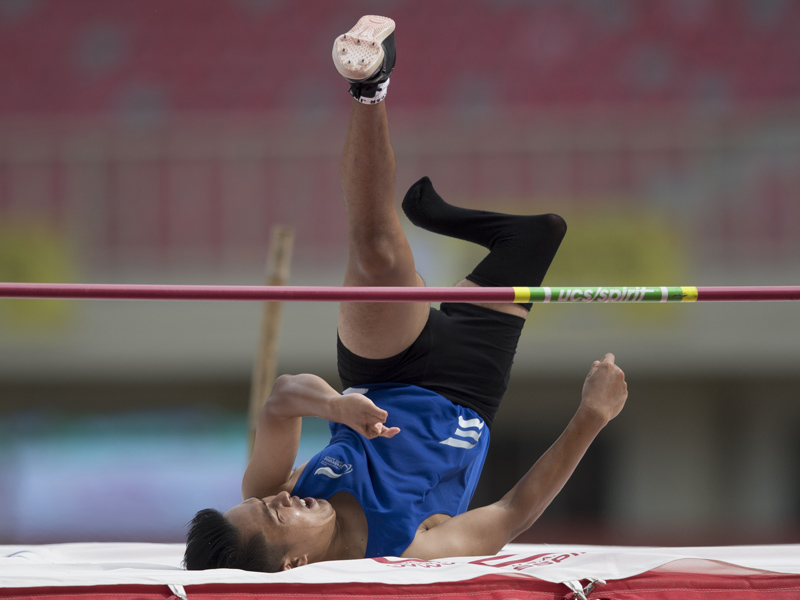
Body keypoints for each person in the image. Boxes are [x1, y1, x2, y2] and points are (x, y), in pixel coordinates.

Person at [183, 15, 627, 573]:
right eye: (275, 515)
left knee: (375, 252)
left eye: (262, 501)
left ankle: (369, 87)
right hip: (469, 387)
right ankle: (454, 220)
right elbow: (513, 511)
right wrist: (592, 415)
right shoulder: (408, 544)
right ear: (292, 562)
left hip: (382, 369)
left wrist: (336, 405)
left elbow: (282, 397)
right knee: (541, 234)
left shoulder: (276, 486)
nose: (277, 497)